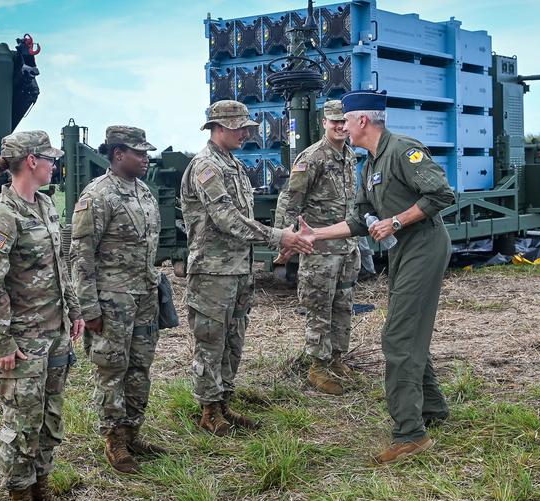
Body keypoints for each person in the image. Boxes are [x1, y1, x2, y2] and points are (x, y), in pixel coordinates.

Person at [297, 90, 454, 464]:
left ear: (362, 121)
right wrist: (315, 234)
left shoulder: (403, 150)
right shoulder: (369, 164)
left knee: (398, 336)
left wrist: (397, 220)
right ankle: (431, 408)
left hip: (424, 247)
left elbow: (442, 194)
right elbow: (358, 220)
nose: (343, 128)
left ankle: (410, 435)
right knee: (405, 331)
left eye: (346, 122)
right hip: (404, 252)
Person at [179, 99, 313, 435]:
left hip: (238, 270)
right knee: (211, 340)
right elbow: (227, 220)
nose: (245, 134)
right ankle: (209, 410)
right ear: (220, 127)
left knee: (234, 338)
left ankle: (224, 402)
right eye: (240, 128)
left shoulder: (232, 165)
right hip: (212, 272)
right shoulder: (205, 167)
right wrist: (278, 236)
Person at [0, 131, 85, 501]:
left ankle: (42, 489)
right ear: (31, 161)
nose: (55, 164)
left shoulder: (44, 205)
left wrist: (73, 310)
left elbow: (62, 264)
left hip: (54, 332)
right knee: (22, 422)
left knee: (49, 416)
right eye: (50, 158)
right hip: (23, 341)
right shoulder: (1, 214)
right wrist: (1, 341)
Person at [70, 126, 166, 475]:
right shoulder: (97, 195)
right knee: (112, 370)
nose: (145, 158)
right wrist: (89, 308)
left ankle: (131, 431)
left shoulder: (144, 191)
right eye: (138, 153)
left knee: (140, 366)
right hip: (112, 301)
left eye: (145, 152)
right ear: (117, 154)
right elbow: (81, 255)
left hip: (143, 297)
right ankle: (113, 439)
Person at [274, 99, 360, 395]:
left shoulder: (350, 156)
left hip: (346, 246)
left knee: (343, 304)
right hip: (319, 249)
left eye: (343, 121)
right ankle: (317, 366)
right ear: (324, 122)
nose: (339, 126)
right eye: (333, 121)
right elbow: (289, 200)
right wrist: (284, 239)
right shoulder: (311, 158)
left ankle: (336, 359)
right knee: (319, 306)